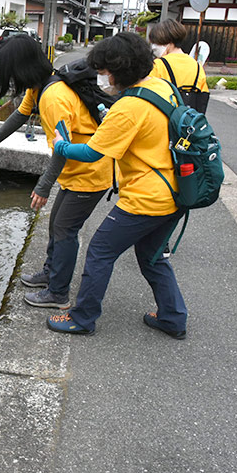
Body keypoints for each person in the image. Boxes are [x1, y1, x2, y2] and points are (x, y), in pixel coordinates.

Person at [46, 32, 188, 339]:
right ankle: (173, 317)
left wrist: (61, 146)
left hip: (146, 198)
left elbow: (90, 152)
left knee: (100, 251)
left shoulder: (129, 107)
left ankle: (82, 318)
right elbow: (152, 129)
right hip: (177, 192)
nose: (100, 77)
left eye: (102, 71)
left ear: (117, 70)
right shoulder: (161, 87)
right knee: (152, 257)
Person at [0, 34, 113, 309]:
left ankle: (58, 293)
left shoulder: (53, 98)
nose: (8, 78)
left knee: (64, 229)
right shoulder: (40, 86)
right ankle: (51, 273)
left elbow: (62, 148)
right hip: (76, 170)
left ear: (20, 68)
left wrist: (43, 186)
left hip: (90, 172)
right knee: (56, 224)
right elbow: (20, 115)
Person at [148, 19, 210, 113]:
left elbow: (147, 95)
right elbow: (203, 98)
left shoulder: (158, 65)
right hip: (188, 123)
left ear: (169, 42)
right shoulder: (197, 67)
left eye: (157, 42)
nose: (154, 47)